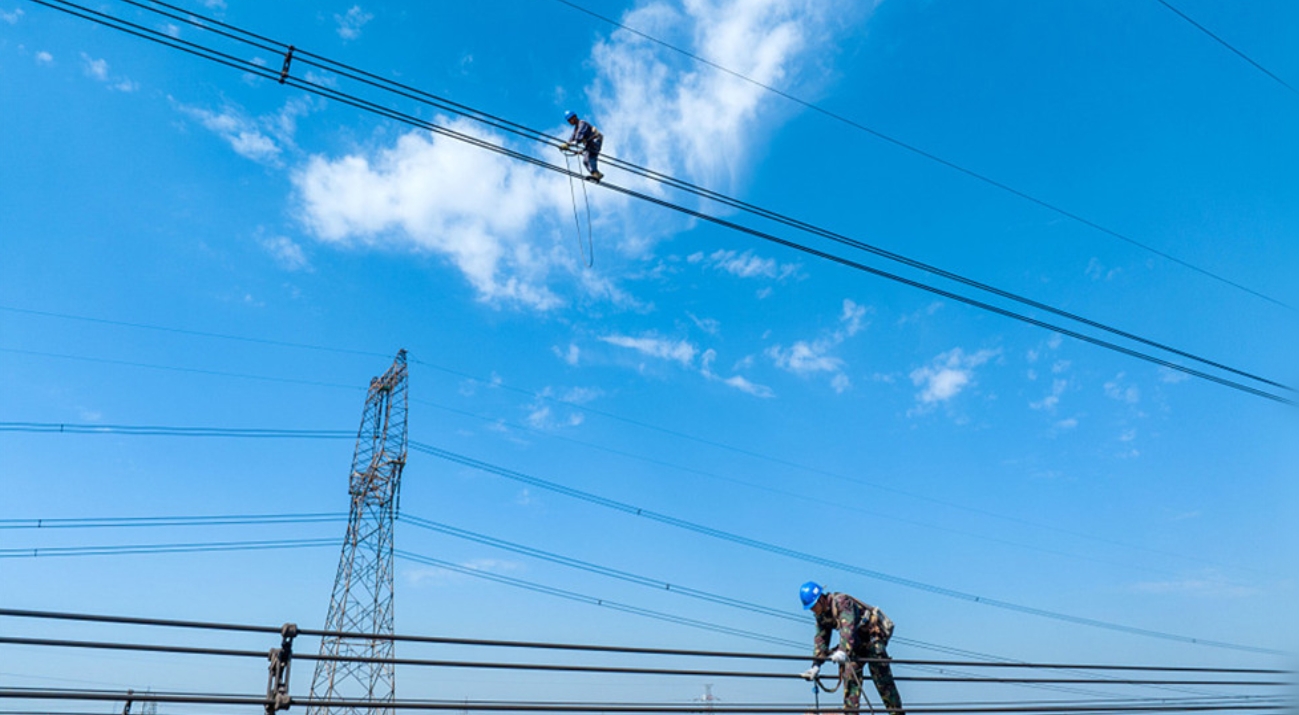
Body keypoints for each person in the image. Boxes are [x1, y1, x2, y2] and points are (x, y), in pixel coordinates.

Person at [798, 582, 905, 715]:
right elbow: (821, 638)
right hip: (855, 647)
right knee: (850, 684)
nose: (813, 610)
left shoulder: (842, 602)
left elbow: (848, 628)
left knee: (884, 685)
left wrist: (842, 651)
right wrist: (816, 665)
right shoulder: (822, 615)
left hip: (872, 642)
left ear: (821, 599)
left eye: (814, 606)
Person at [561, 110, 604, 182]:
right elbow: (573, 137)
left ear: (574, 117)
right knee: (585, 160)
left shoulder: (582, 124)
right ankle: (596, 173)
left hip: (595, 141)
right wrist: (566, 144)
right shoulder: (576, 128)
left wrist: (568, 145)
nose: (569, 122)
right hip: (590, 144)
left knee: (589, 157)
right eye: (568, 121)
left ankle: (596, 174)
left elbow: (578, 138)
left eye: (570, 120)